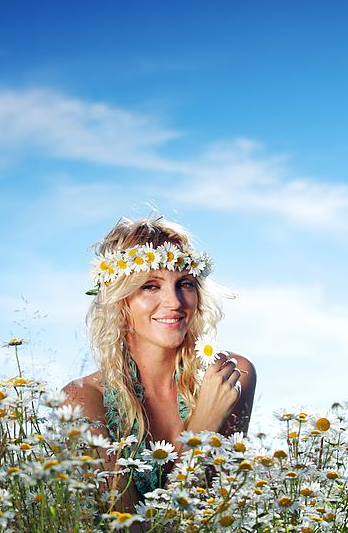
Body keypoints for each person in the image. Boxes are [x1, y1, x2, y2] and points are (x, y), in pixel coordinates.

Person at [62, 216, 256, 511]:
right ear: (120, 299)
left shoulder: (229, 376)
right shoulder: (83, 399)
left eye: (185, 284)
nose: (175, 302)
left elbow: (217, 509)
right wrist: (202, 430)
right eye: (150, 286)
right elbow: (126, 528)